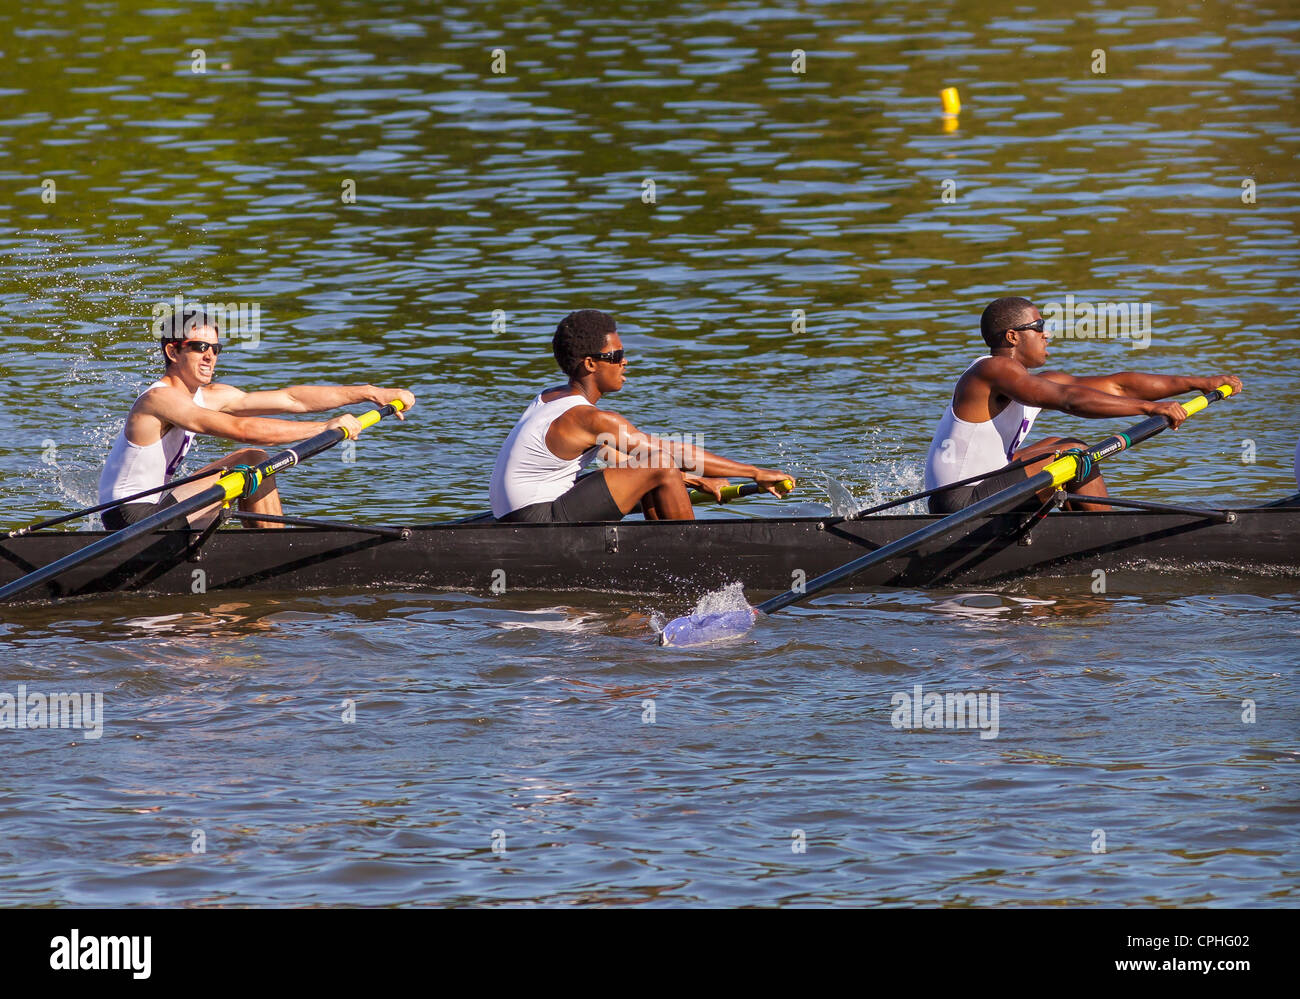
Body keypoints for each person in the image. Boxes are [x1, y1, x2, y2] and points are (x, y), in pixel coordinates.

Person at [97, 309, 415, 529]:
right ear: (172, 352)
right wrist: (325, 428)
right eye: (200, 347)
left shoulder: (207, 395)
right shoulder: (159, 399)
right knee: (249, 463)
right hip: (131, 520)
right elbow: (241, 429)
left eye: (216, 348)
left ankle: (262, 541)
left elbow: (292, 399)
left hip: (158, 506)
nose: (210, 356)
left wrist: (371, 392)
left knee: (253, 459)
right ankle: (269, 549)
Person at [923, 296, 1242, 513]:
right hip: (959, 504)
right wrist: (1150, 408)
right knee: (1072, 454)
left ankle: (1077, 525)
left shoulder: (1027, 380)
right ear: (1012, 337)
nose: (1046, 334)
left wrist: (1198, 382)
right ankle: (1102, 537)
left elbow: (1120, 385)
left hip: (983, 489)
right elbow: (1069, 401)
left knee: (1065, 445)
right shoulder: (993, 370)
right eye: (1038, 327)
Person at [489, 309, 793, 522]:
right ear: (591, 364)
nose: (625, 362)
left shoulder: (550, 397)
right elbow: (669, 453)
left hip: (521, 514)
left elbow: (625, 465)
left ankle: (664, 555)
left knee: (655, 470)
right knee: (661, 463)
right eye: (616, 356)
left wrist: (692, 480)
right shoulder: (589, 418)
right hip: (540, 521)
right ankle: (697, 566)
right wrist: (755, 473)